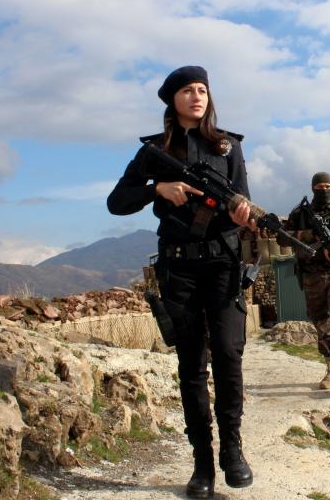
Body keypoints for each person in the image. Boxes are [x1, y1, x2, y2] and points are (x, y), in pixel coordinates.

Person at [107, 66, 254, 499]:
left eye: (203, 89)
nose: (197, 96)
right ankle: (202, 463)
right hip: (180, 269)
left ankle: (232, 450)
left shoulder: (228, 146)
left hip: (224, 265)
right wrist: (158, 189)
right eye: (188, 90)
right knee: (191, 365)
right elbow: (117, 202)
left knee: (228, 354)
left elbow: (242, 200)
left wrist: (244, 216)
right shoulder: (155, 151)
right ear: (173, 100)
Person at [280, 172, 330, 390]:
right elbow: (281, 236)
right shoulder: (300, 213)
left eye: (327, 186)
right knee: (321, 321)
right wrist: (308, 236)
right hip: (311, 275)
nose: (324, 190)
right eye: (320, 186)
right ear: (313, 188)